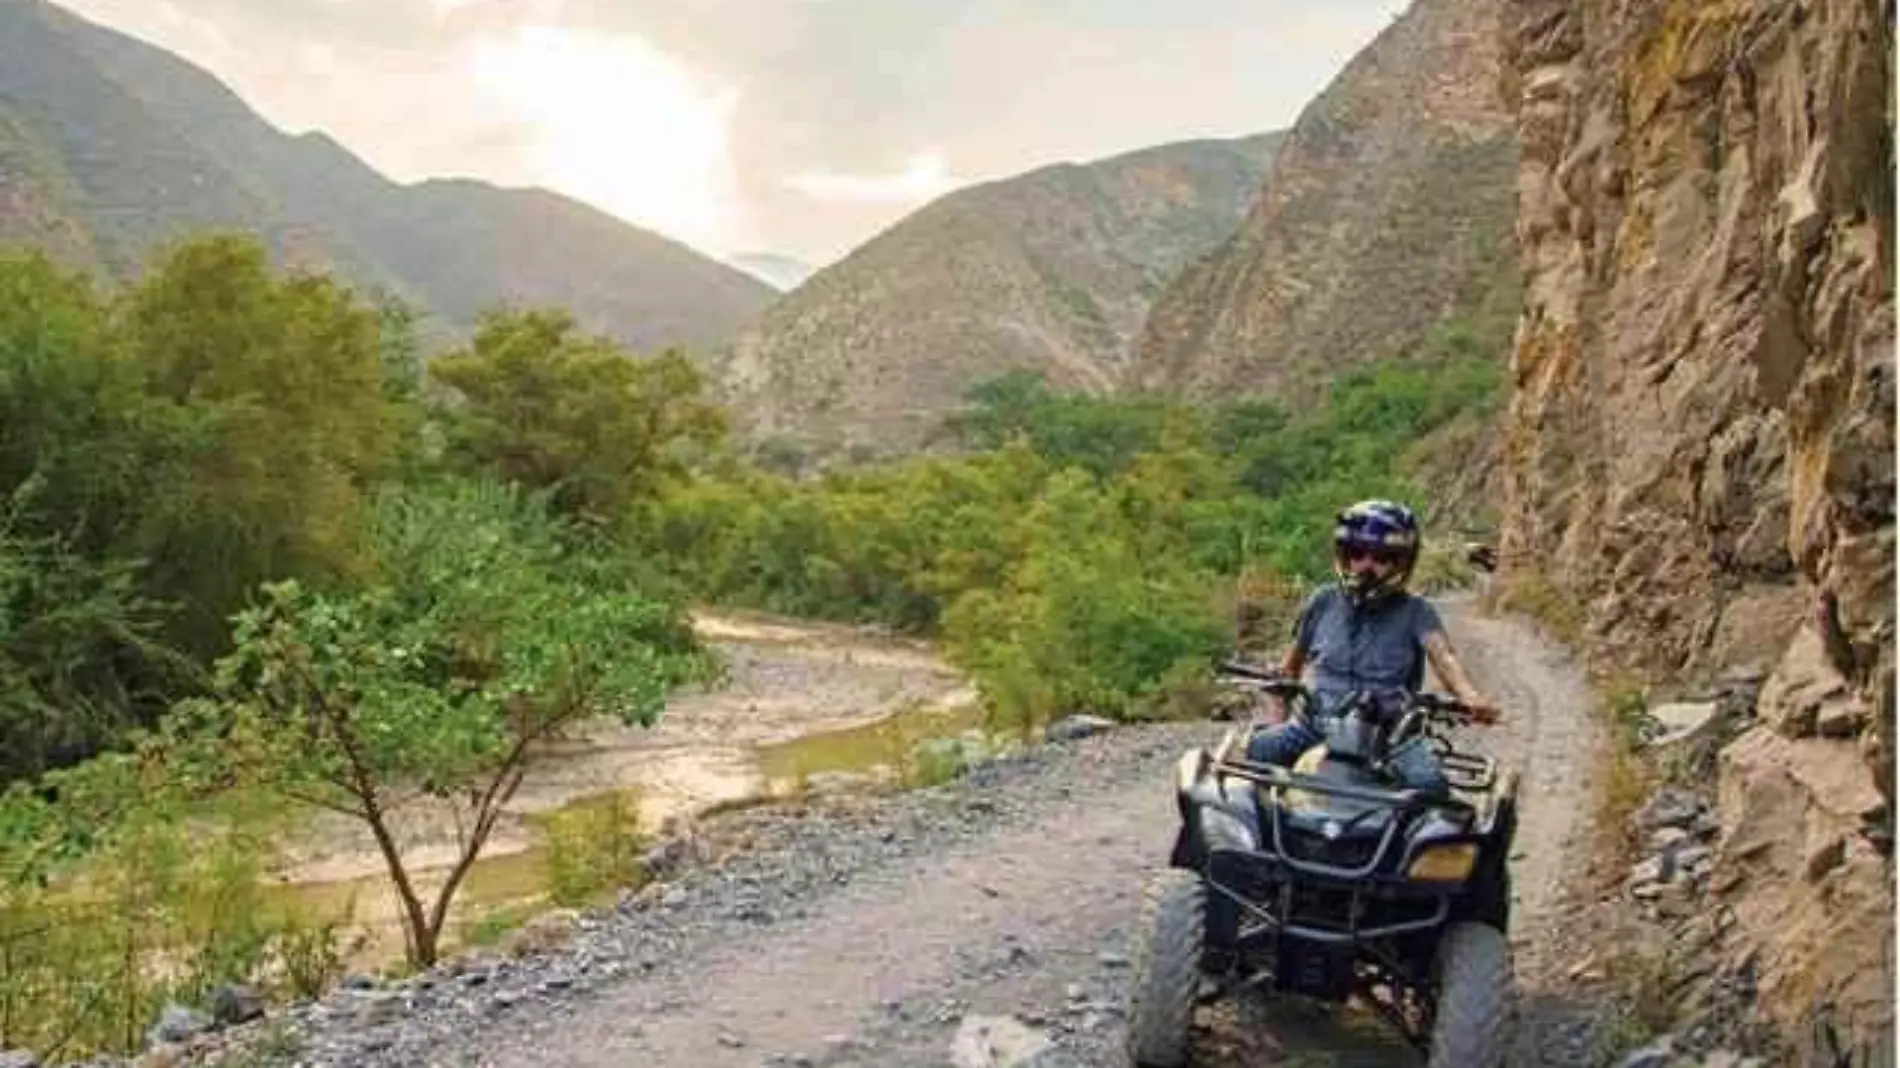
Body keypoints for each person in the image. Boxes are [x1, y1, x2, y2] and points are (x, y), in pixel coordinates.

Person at [1246, 499, 1499, 798]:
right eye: (1357, 554)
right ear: (1344, 556)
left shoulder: (1416, 611)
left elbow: (1443, 657)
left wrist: (1470, 697)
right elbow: (1288, 670)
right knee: (1257, 753)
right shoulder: (1322, 602)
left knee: (1431, 787)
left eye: (1381, 557)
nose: (1367, 564)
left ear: (1400, 562)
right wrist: (1280, 716)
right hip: (1317, 723)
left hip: (1391, 733)